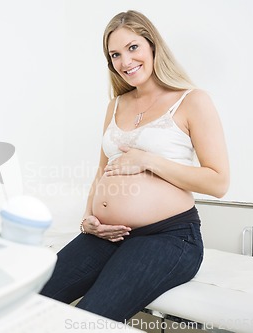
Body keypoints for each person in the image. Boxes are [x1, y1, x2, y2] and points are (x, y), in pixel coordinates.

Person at [39, 10, 229, 323]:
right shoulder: (115, 105)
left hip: (169, 238)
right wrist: (88, 218)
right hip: (106, 235)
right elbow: (102, 171)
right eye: (115, 54)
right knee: (31, 297)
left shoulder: (193, 100)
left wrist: (149, 160)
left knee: (88, 317)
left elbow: (218, 182)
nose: (125, 62)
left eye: (133, 48)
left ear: (153, 46)